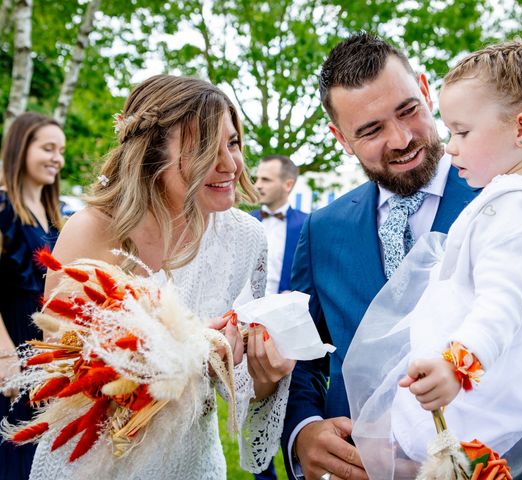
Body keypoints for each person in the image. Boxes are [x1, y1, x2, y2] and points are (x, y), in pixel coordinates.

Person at [282, 32, 522, 480]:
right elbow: (300, 359)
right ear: (340, 138)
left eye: (408, 110)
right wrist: (304, 432)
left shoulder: (513, 194)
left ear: (425, 89)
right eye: (371, 130)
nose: (400, 139)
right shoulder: (321, 229)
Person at [27, 75, 295, 480]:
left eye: (233, 142)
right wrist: (185, 347)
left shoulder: (244, 237)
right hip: (93, 463)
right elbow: (67, 370)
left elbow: (235, 385)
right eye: (205, 148)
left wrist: (264, 373)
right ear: (152, 155)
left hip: (194, 462)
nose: (229, 164)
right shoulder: (93, 229)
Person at [0, 112, 66, 480]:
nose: (57, 158)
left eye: (61, 150)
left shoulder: (55, 215)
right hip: (11, 342)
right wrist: (6, 356)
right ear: (21, 149)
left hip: (45, 348)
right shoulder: (3, 207)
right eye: (47, 148)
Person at [252, 154, 308, 296]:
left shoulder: (307, 225)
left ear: (288, 185)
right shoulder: (244, 221)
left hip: (285, 314)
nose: (257, 185)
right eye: (256, 179)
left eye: (266, 180)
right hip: (240, 313)